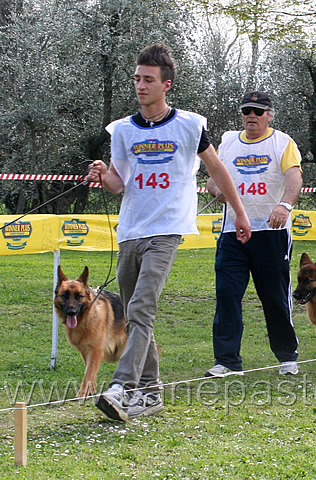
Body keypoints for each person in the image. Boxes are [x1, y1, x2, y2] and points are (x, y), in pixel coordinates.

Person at [87, 44, 251, 421]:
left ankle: (121, 386)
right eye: (137, 79)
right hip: (131, 229)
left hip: (167, 230)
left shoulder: (190, 126)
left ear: (166, 85)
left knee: (142, 307)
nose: (140, 86)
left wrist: (239, 213)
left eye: (148, 80)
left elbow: (219, 171)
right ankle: (151, 392)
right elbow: (118, 182)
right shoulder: (123, 130)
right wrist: (101, 173)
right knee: (132, 313)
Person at [206, 91, 303, 377]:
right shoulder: (228, 142)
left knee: (274, 296)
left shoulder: (281, 142)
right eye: (247, 110)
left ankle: (287, 356)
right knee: (227, 294)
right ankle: (227, 361)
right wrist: (215, 190)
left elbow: (294, 176)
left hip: (270, 232)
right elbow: (213, 177)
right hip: (232, 232)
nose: (252, 116)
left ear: (269, 115)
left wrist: (284, 205)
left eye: (258, 112)